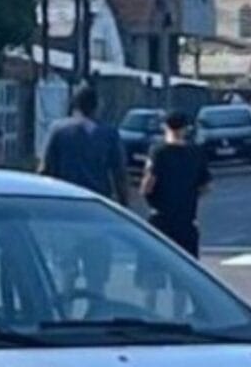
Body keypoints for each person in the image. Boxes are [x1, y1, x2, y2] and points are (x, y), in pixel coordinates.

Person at [39, 85, 128, 294]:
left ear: (73, 105)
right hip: (96, 209)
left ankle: (65, 316)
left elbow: (45, 171)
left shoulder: (58, 130)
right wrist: (123, 207)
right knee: (97, 275)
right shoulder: (108, 134)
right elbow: (119, 174)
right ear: (96, 106)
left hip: (63, 210)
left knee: (65, 271)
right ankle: (96, 312)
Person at [141, 110, 210, 257]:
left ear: (165, 127)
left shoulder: (158, 152)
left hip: (161, 221)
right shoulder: (196, 153)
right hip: (186, 222)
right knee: (187, 270)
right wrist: (190, 194)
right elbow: (206, 186)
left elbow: (149, 184)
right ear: (185, 129)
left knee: (157, 267)